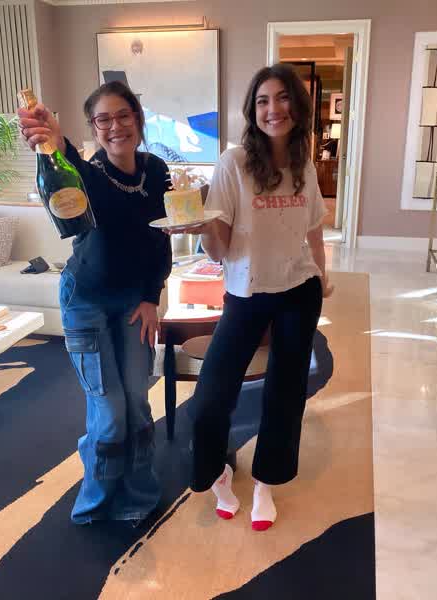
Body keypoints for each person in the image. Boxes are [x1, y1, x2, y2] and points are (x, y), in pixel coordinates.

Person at [176, 63, 333, 531]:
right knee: (211, 397)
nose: (273, 109)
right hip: (246, 294)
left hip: (299, 292)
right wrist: (200, 227)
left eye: (282, 98)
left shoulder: (304, 164)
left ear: (297, 106)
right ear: (252, 110)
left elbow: (314, 231)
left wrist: (322, 278)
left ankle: (267, 481)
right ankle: (217, 473)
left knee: (286, 393)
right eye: (263, 101)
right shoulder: (234, 163)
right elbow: (219, 248)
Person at [18, 81, 172, 525]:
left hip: (133, 303)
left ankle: (138, 493)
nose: (115, 126)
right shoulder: (88, 173)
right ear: (93, 127)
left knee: (136, 402)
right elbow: (90, 188)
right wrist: (57, 141)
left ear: (137, 119)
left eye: (123, 115)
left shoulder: (156, 170)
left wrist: (152, 297)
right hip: (85, 301)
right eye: (103, 119)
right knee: (110, 411)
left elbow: (161, 239)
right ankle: (97, 498)